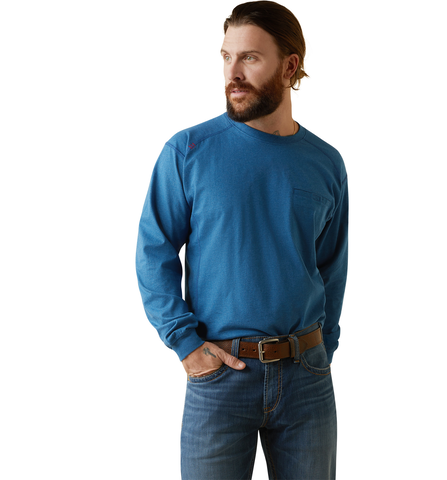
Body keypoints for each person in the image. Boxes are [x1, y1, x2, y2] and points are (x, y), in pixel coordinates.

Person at [136, 1, 348, 479]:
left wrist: (323, 349)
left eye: (250, 57)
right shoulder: (187, 152)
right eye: (226, 56)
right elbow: (154, 252)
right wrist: (186, 344)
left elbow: (332, 267)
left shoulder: (326, 163)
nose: (232, 72)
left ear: (289, 67)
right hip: (220, 375)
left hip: (307, 379)